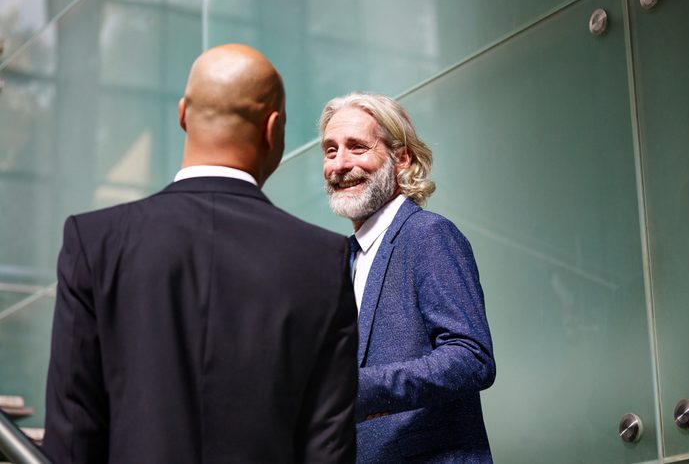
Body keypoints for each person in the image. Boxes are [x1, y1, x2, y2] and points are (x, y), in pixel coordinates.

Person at [43, 44, 358, 464]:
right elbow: (327, 448)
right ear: (273, 127)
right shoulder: (324, 259)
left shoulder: (96, 240)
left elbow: (71, 436)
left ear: (181, 115)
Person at [319, 92, 496, 463]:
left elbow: (472, 357)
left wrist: (364, 387)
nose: (340, 163)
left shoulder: (429, 236)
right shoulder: (343, 260)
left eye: (357, 147)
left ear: (401, 158)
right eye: (331, 150)